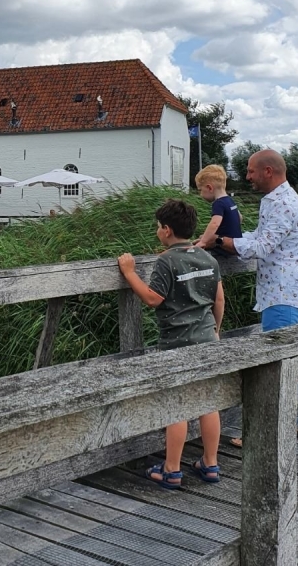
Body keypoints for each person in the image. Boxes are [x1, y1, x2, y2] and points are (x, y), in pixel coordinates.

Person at [212, 149, 298, 445]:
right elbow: (260, 236)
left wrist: (220, 241)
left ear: (268, 171)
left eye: (250, 171)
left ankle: (262, 434)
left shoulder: (282, 204)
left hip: (281, 295)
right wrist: (232, 239)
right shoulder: (283, 200)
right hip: (292, 293)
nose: (247, 176)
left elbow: (262, 247)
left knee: (273, 368)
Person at [118, 199, 225, 489]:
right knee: (208, 401)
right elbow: (218, 300)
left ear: (166, 230)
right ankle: (210, 463)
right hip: (207, 340)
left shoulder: (167, 260)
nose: (157, 231)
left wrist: (129, 273)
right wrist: (214, 329)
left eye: (157, 227)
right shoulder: (207, 258)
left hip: (176, 344)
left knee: (177, 405)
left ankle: (172, 469)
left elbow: (154, 299)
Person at [193, 164, 242, 256]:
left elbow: (215, 224)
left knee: (201, 242)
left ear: (209, 188)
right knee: (206, 237)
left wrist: (203, 241)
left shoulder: (218, 203)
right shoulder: (229, 200)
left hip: (225, 246)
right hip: (236, 242)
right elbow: (239, 218)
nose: (200, 194)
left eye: (200, 190)